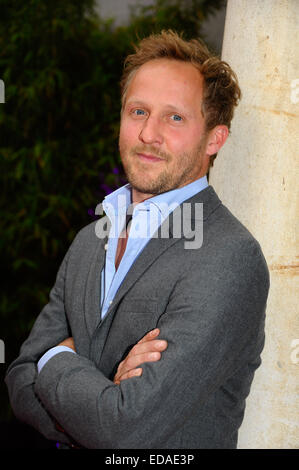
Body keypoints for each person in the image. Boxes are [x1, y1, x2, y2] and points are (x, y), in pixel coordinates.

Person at [5, 30, 269, 449]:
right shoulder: (90, 241)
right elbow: (20, 381)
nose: (149, 134)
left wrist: (57, 358)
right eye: (139, 111)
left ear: (214, 139)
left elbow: (125, 429)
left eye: (175, 117)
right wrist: (104, 392)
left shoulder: (228, 256)